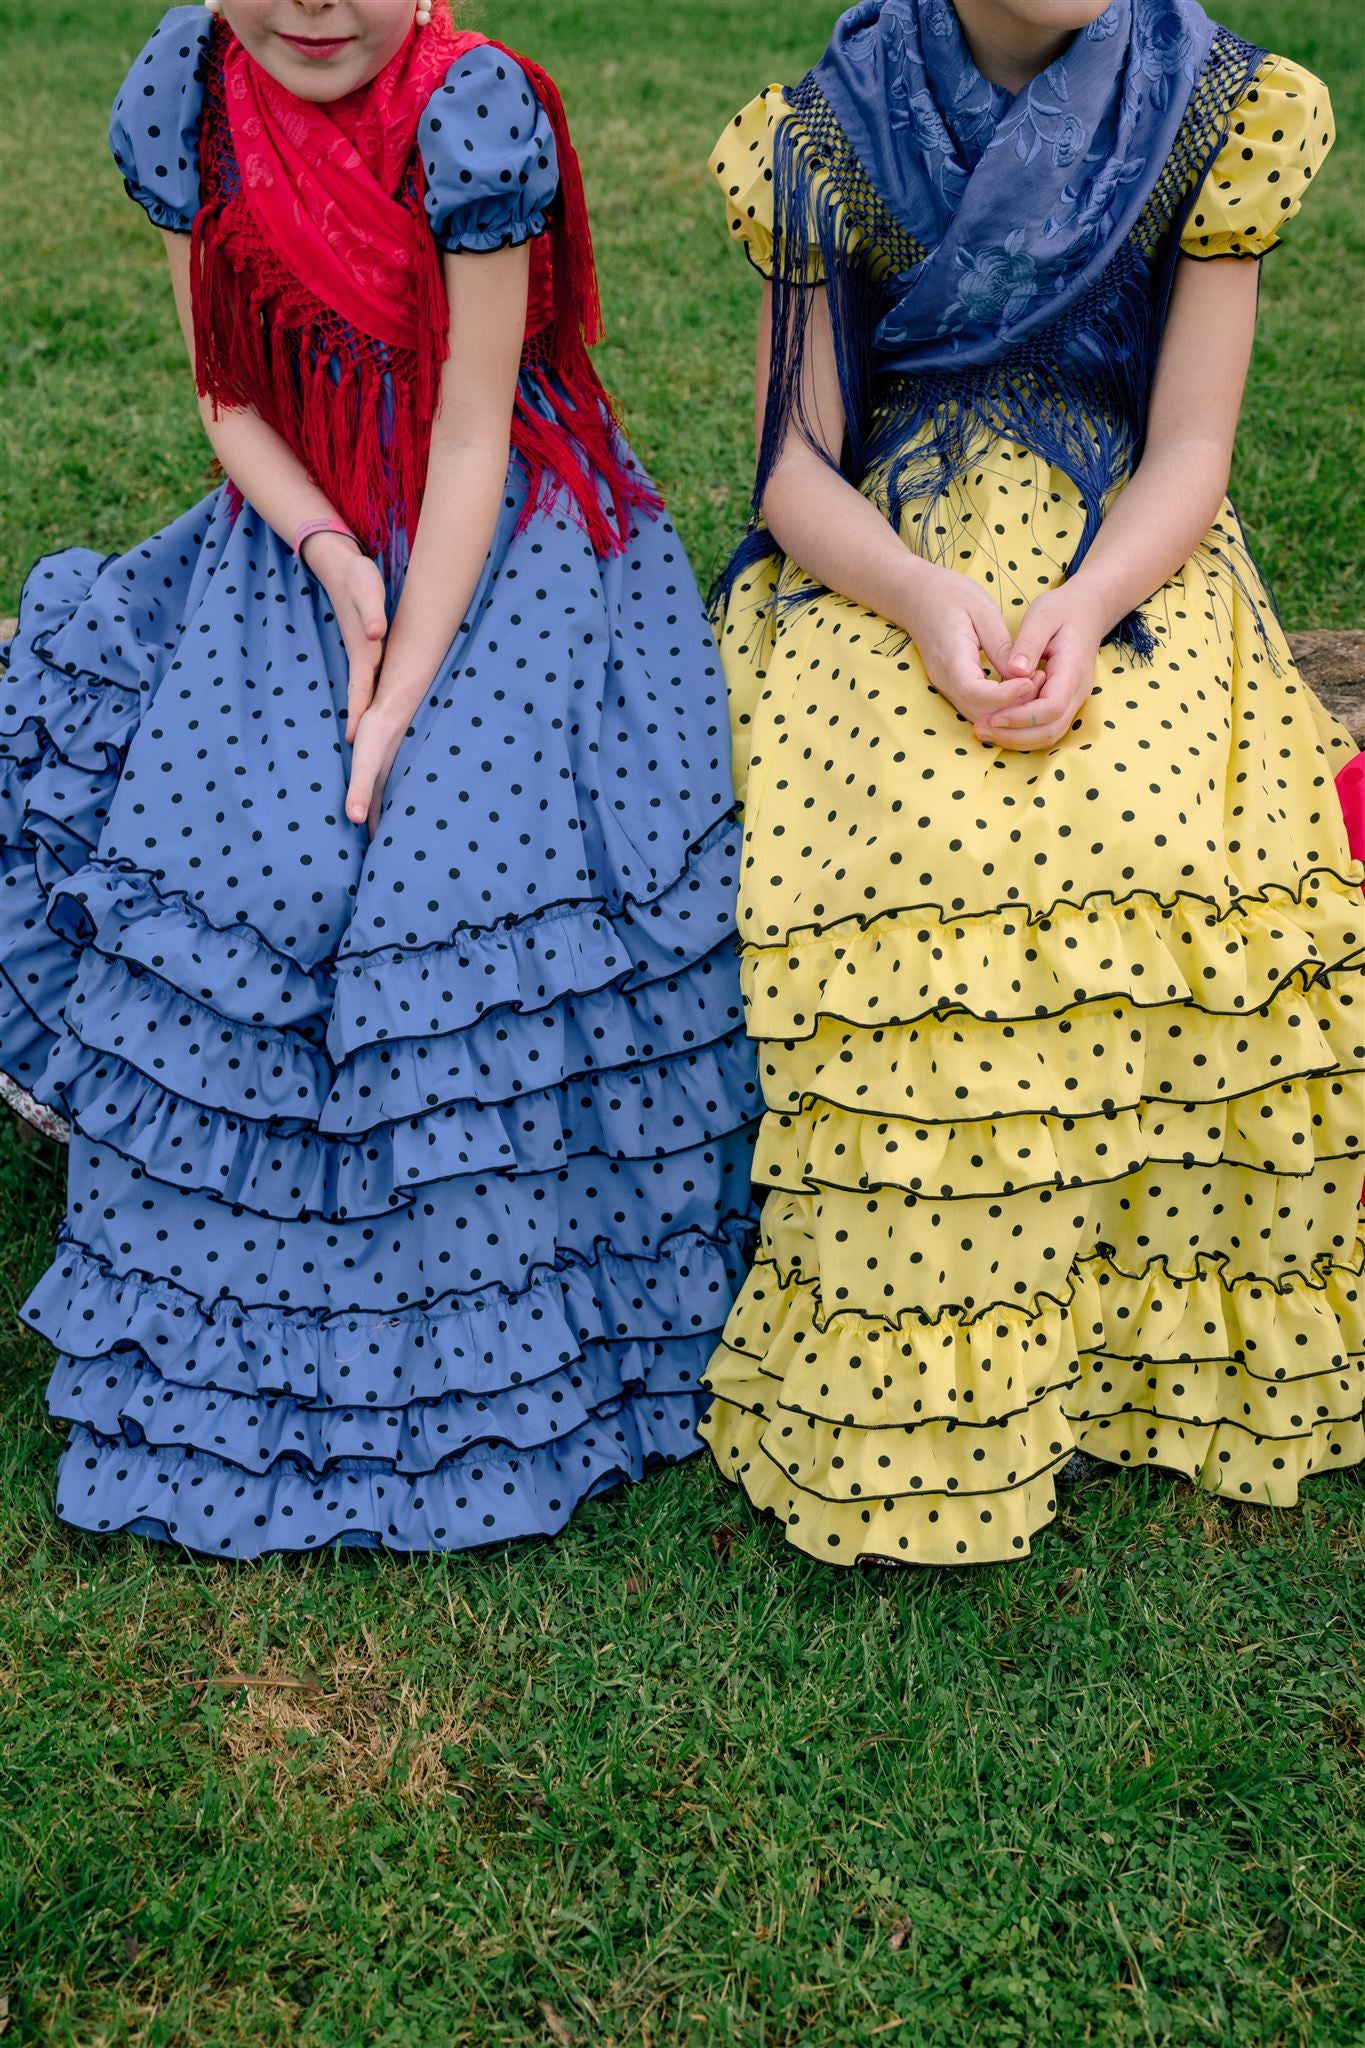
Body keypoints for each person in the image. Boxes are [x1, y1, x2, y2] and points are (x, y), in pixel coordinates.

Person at [0, 0, 759, 1555]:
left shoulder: (472, 112)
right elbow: (229, 395)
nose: (315, 6)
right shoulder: (186, 92)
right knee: (258, 873)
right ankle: (237, 1298)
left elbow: (476, 429)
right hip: (320, 518)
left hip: (513, 536)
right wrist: (334, 563)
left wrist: (403, 686)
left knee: (457, 877)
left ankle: (508, 1327)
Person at [700, 0, 1363, 1566]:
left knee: (1158, 850)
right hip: (880, 559)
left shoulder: (1218, 111)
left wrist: (1087, 602)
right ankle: (906, 1376)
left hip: (1125, 549)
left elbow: (1189, 450)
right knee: (913, 870)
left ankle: (1133, 1349)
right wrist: (925, 604)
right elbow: (791, 467)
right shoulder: (822, 132)